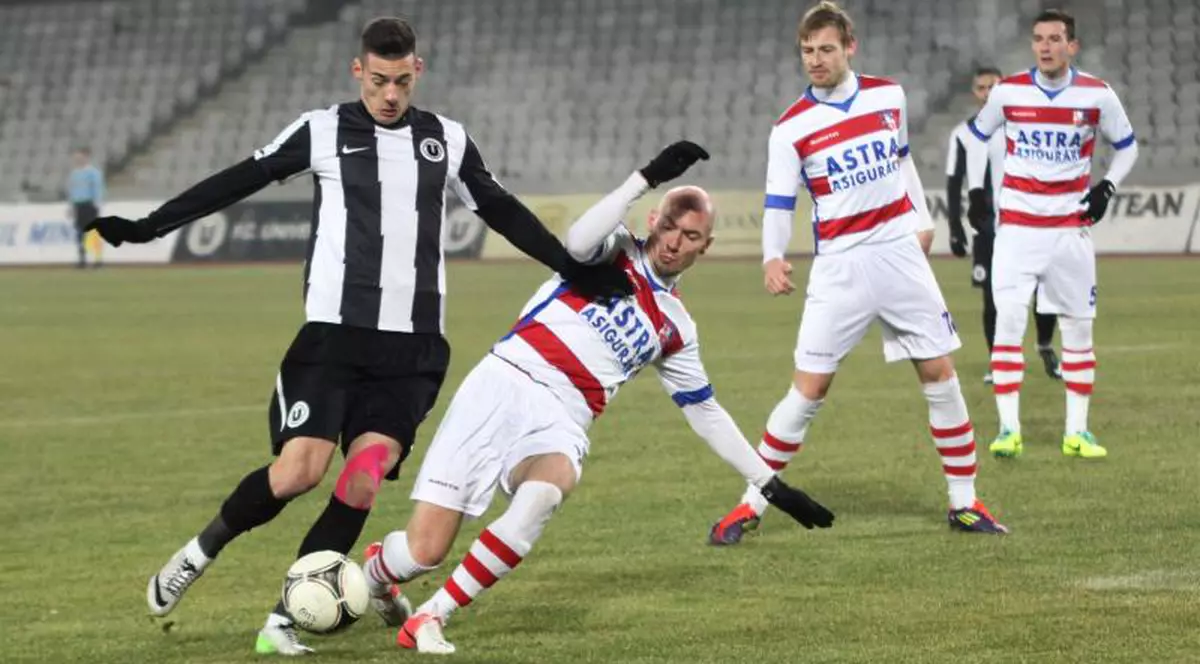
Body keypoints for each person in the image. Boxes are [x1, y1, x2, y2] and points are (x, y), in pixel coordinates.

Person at [85, 17, 632, 656]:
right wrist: (152, 226)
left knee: (364, 478)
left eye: (401, 81)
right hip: (333, 338)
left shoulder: (447, 140)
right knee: (298, 473)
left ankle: (282, 620)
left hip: (412, 349)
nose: (390, 94)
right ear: (357, 71)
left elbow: (502, 211)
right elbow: (243, 177)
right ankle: (197, 553)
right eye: (378, 81)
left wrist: (573, 270)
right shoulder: (321, 129)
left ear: (418, 72)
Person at [356, 141, 836, 655]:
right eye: (670, 225)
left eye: (690, 235)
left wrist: (769, 485)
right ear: (654, 218)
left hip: (565, 416)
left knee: (549, 488)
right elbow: (576, 238)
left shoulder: (676, 327)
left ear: (706, 245)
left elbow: (704, 411)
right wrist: (644, 176)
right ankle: (377, 576)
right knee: (424, 550)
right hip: (505, 381)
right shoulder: (614, 249)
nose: (674, 241)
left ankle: (433, 614)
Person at [708, 1, 1007, 547]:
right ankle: (750, 505)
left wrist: (920, 219)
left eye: (825, 49)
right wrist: (771, 256)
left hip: (897, 254)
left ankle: (964, 503)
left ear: (850, 46)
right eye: (806, 51)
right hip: (839, 267)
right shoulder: (790, 128)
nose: (815, 60)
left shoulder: (888, 95)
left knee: (939, 373)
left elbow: (902, 161)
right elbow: (778, 202)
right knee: (808, 389)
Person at [964, 8, 1138, 460]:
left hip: (1069, 231)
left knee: (1078, 331)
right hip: (1018, 231)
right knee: (1008, 324)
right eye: (1039, 38)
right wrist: (977, 189)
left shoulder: (1097, 95)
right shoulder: (1008, 92)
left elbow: (1128, 146)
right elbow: (977, 136)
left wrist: (1107, 186)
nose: (1045, 46)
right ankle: (1008, 429)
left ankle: (1077, 432)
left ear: (1072, 46)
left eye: (1055, 38)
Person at [946, 68, 1061, 384]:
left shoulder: (1025, 124)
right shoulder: (964, 133)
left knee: (1044, 290)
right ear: (974, 92)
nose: (986, 92)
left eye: (992, 86)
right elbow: (955, 183)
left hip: (1030, 223)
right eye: (981, 87)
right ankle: (998, 361)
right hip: (988, 228)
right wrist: (955, 227)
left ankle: (1045, 345)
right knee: (991, 297)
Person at [66, 147, 105, 268]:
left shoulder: (93, 173)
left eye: (80, 157)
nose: (78, 159)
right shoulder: (74, 174)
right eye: (76, 157)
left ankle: (98, 260)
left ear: (86, 157)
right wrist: (71, 206)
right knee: (79, 233)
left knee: (93, 233)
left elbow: (98, 189)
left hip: (89, 204)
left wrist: (97, 203)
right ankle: (82, 259)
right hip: (78, 205)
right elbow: (72, 191)